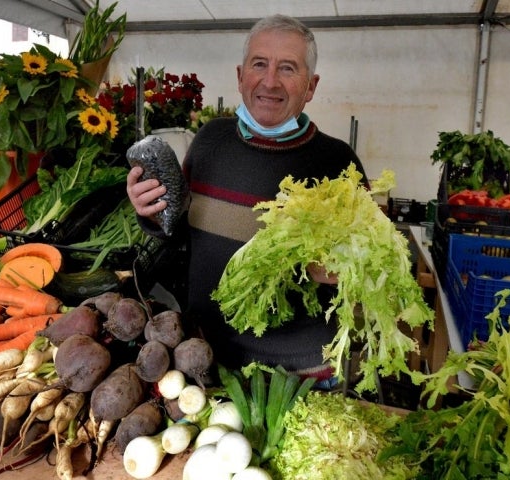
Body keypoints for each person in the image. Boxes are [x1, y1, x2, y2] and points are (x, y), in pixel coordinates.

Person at [127, 14, 368, 386]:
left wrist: (340, 270)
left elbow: (370, 268)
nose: (270, 81)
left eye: (287, 68)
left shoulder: (338, 162)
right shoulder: (209, 140)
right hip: (204, 358)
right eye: (260, 64)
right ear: (240, 76)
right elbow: (178, 235)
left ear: (311, 86)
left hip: (300, 375)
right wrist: (150, 210)